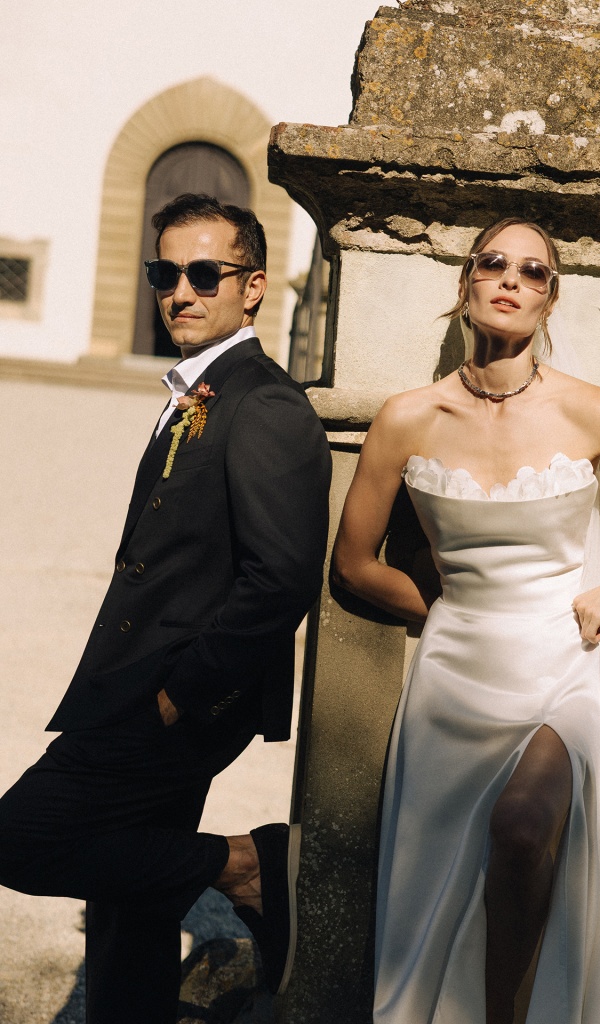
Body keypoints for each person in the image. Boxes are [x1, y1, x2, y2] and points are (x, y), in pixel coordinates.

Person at [332, 218, 600, 1024]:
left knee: (526, 828)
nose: (510, 280)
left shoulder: (585, 409)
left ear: (550, 300)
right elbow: (355, 563)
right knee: (437, 887)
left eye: (533, 272)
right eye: (493, 263)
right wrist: (452, 611)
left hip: (563, 665)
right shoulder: (407, 417)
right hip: (454, 678)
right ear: (465, 283)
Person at [0, 193, 331, 1023]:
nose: (180, 291)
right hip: (139, 681)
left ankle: (249, 865)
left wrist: (181, 692)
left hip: (178, 697)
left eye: (204, 274)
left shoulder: (263, 402)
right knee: (130, 905)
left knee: (22, 836)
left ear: (252, 287)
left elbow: (282, 577)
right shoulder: (199, 388)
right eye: (165, 273)